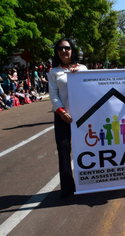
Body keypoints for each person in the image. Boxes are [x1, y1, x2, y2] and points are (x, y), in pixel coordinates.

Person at [48, 38, 88, 199]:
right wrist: (61, 111)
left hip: (84, 117)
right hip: (63, 116)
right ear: (57, 52)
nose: (64, 51)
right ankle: (67, 188)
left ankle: (88, 182)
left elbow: (92, 88)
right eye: (60, 48)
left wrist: (78, 76)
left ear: (72, 50)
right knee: (64, 151)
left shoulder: (83, 69)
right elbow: (53, 94)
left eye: (67, 48)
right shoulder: (53, 72)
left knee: (86, 149)